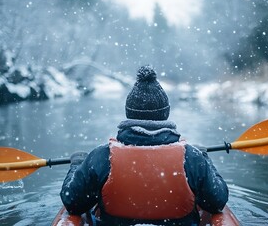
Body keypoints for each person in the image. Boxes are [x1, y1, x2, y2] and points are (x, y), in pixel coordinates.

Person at [60, 65, 228, 225]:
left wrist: (76, 165)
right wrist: (205, 157)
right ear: (165, 113)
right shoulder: (192, 157)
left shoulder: (101, 157)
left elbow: (73, 203)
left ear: (129, 113)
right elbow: (217, 202)